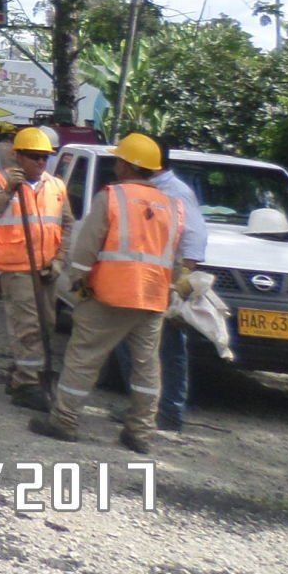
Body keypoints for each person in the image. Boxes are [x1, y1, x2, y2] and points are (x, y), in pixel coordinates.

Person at [34, 133, 187, 454]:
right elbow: (174, 257)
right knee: (146, 366)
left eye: (119, 160)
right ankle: (140, 433)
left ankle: (64, 420)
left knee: (84, 358)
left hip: (109, 295)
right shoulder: (173, 206)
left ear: (128, 165)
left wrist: (78, 280)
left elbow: (86, 246)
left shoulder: (113, 197)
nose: (115, 164)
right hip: (153, 299)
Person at [113, 141, 207, 432]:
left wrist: (181, 282)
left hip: (165, 281)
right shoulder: (152, 190)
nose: (117, 167)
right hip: (142, 280)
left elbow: (194, 239)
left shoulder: (174, 192)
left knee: (167, 349)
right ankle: (145, 410)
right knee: (137, 347)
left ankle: (167, 413)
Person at [0, 127, 72, 410]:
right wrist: (10, 188)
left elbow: (67, 224)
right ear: (17, 157)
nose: (40, 163)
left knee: (46, 325)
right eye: (34, 157)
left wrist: (59, 260)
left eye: (45, 157)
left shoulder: (56, 186)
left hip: (46, 268)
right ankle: (27, 382)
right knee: (27, 327)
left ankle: (30, 373)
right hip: (16, 268)